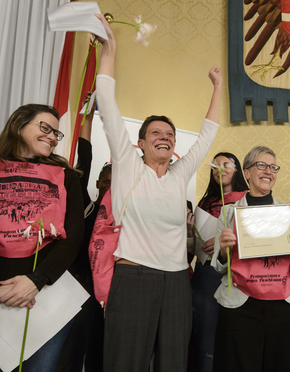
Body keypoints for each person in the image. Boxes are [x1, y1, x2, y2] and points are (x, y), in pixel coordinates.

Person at [95, 15, 221, 371]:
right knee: (126, 363)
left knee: (172, 363)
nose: (164, 136)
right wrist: (111, 47)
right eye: (156, 133)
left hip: (178, 281)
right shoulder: (127, 164)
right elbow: (106, 99)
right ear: (139, 142)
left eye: (170, 134)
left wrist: (217, 86)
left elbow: (208, 134)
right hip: (134, 279)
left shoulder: (179, 175)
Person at [0, 103, 84, 371]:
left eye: (57, 133)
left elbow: (74, 236)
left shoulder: (67, 178)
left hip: (44, 302)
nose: (53, 137)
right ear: (18, 126)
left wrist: (37, 280)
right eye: (46, 128)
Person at [211, 146, 290, 371]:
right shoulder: (228, 213)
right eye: (261, 165)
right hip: (240, 307)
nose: (268, 171)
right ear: (246, 173)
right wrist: (224, 250)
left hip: (282, 308)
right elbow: (219, 267)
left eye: (272, 167)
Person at [56, 93, 107, 372]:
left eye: (116, 181)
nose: (109, 185)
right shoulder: (83, 205)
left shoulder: (122, 216)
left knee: (100, 346)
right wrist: (88, 115)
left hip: (107, 289)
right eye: (105, 179)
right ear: (98, 182)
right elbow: (84, 154)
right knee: (72, 347)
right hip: (75, 283)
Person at [189, 152, 249, 372]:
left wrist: (222, 240)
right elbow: (192, 247)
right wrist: (189, 232)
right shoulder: (204, 203)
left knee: (231, 336)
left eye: (226, 164)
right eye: (215, 166)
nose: (220, 169)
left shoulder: (247, 199)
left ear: (237, 170)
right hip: (204, 276)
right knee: (204, 336)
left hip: (235, 276)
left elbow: (256, 238)